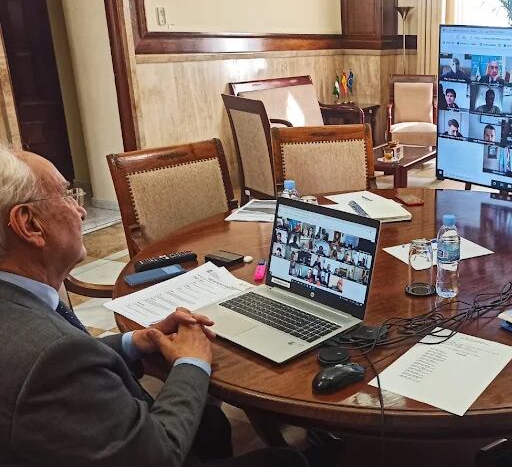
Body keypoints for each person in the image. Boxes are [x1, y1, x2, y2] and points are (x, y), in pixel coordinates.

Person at [0, 148, 307, 466]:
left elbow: (70, 366)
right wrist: (191, 362)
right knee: (289, 461)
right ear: (30, 225)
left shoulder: (21, 309)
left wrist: (135, 341)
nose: (81, 211)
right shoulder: (51, 355)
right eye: (66, 195)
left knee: (210, 424)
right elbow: (156, 456)